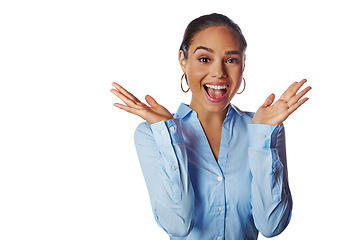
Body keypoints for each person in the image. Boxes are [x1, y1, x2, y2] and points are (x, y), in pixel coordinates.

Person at [111, 13, 311, 240]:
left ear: (243, 65)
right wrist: (167, 133)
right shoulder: (152, 134)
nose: (219, 72)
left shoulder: (265, 130)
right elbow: (178, 225)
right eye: (205, 59)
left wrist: (262, 137)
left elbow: (272, 226)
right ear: (183, 60)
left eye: (231, 60)